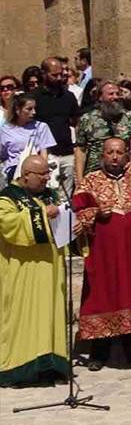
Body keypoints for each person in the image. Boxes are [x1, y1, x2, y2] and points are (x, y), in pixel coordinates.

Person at [73, 138, 131, 371]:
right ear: (102, 155)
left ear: (127, 156)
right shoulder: (90, 181)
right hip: (103, 251)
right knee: (102, 293)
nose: (114, 157)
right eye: (110, 152)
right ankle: (99, 352)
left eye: (119, 152)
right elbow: (78, 208)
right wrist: (96, 213)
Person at [0, 156, 71, 385]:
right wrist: (42, 215)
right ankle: (20, 369)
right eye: (41, 175)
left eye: (47, 174)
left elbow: (60, 223)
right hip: (23, 271)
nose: (46, 178)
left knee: (50, 316)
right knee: (24, 317)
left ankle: (51, 366)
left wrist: (73, 226)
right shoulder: (7, 197)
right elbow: (9, 224)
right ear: (26, 174)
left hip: (51, 270)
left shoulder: (50, 195)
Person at [30, 57, 80, 196]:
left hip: (67, 152)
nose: (58, 78)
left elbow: (76, 121)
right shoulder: (35, 97)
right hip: (47, 154)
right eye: (54, 75)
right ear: (44, 74)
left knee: (66, 197)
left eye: (60, 74)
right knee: (49, 194)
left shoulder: (68, 96)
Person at [74, 80, 131, 181]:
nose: (115, 97)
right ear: (100, 97)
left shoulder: (129, 117)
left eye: (118, 94)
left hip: (123, 175)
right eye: (111, 94)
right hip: (95, 176)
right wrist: (79, 179)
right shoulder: (87, 119)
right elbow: (80, 150)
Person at [0, 95, 57, 182]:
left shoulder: (41, 127)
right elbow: (3, 154)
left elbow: (44, 153)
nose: (34, 112)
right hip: (14, 172)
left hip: (35, 172)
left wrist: (43, 172)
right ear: (17, 110)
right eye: (29, 109)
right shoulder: (5, 130)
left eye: (34, 108)